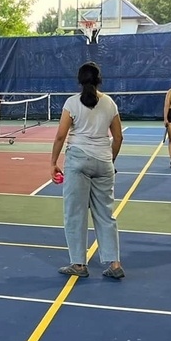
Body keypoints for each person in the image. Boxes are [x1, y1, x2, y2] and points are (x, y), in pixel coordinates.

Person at [51, 62, 124, 279]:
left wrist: (53, 161)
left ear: (79, 80)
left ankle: (79, 264)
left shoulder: (72, 103)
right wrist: (109, 161)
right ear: (99, 79)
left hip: (77, 160)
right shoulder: (109, 103)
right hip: (104, 161)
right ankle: (114, 263)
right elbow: (118, 137)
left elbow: (60, 135)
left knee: (75, 213)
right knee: (106, 214)